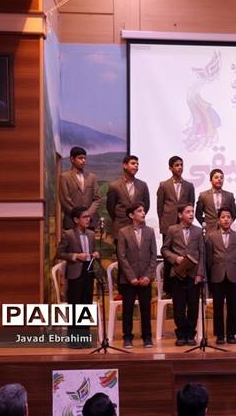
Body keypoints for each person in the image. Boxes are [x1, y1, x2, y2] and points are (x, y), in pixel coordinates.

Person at [55, 206, 99, 348]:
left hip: (88, 272)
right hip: (75, 273)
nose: (88, 219)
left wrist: (95, 254)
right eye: (84, 217)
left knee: (86, 305)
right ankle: (74, 339)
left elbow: (92, 251)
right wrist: (75, 256)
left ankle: (85, 338)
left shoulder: (91, 234)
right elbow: (59, 253)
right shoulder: (68, 234)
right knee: (75, 305)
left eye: (88, 216)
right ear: (76, 219)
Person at [163, 204, 205, 346]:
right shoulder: (172, 230)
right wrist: (175, 258)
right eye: (188, 212)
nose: (191, 214)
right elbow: (164, 249)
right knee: (179, 306)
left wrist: (200, 273)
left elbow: (202, 253)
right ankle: (181, 334)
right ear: (180, 215)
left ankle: (191, 334)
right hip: (177, 273)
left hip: (193, 274)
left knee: (193, 306)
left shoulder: (198, 231)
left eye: (192, 211)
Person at [117, 202, 157, 348]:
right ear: (131, 215)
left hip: (145, 278)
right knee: (128, 309)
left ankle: (147, 337)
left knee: (145, 309)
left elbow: (153, 256)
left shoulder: (150, 231)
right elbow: (121, 257)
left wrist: (148, 276)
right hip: (128, 279)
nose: (143, 213)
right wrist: (131, 277)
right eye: (139, 211)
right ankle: (127, 337)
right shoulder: (123, 232)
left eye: (143, 210)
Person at [201, 207, 236, 344]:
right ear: (218, 220)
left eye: (228, 217)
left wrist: (233, 266)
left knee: (232, 306)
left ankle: (231, 334)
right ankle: (219, 335)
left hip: (232, 275)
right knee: (218, 306)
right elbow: (209, 259)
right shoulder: (211, 237)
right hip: (217, 275)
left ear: (232, 219)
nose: (226, 219)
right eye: (223, 217)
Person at [157, 156, 196, 298]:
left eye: (181, 165)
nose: (180, 167)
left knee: (185, 255)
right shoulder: (164, 185)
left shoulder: (189, 186)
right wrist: (163, 225)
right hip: (168, 225)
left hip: (184, 225)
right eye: (176, 165)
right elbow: (160, 207)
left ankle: (184, 286)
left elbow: (191, 204)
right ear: (170, 168)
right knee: (169, 257)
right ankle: (169, 289)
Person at [106, 155, 150, 240]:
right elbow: (110, 208)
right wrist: (120, 217)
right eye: (133, 163)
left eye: (137, 164)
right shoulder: (114, 186)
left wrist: (137, 216)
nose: (136, 166)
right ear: (125, 165)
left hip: (138, 227)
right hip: (120, 226)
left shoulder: (143, 185)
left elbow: (146, 206)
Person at [59, 147, 101, 230]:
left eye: (85, 158)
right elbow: (65, 200)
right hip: (72, 221)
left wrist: (87, 214)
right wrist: (79, 215)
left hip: (89, 222)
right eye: (80, 158)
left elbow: (97, 199)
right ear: (72, 159)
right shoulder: (65, 177)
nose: (83, 161)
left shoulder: (92, 177)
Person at [195, 168, 236, 232]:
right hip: (209, 231)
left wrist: (227, 224)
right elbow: (198, 214)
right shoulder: (203, 195)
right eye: (216, 177)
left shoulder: (229, 196)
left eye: (221, 178)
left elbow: (234, 214)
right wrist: (205, 225)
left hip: (224, 231)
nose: (219, 179)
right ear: (210, 180)